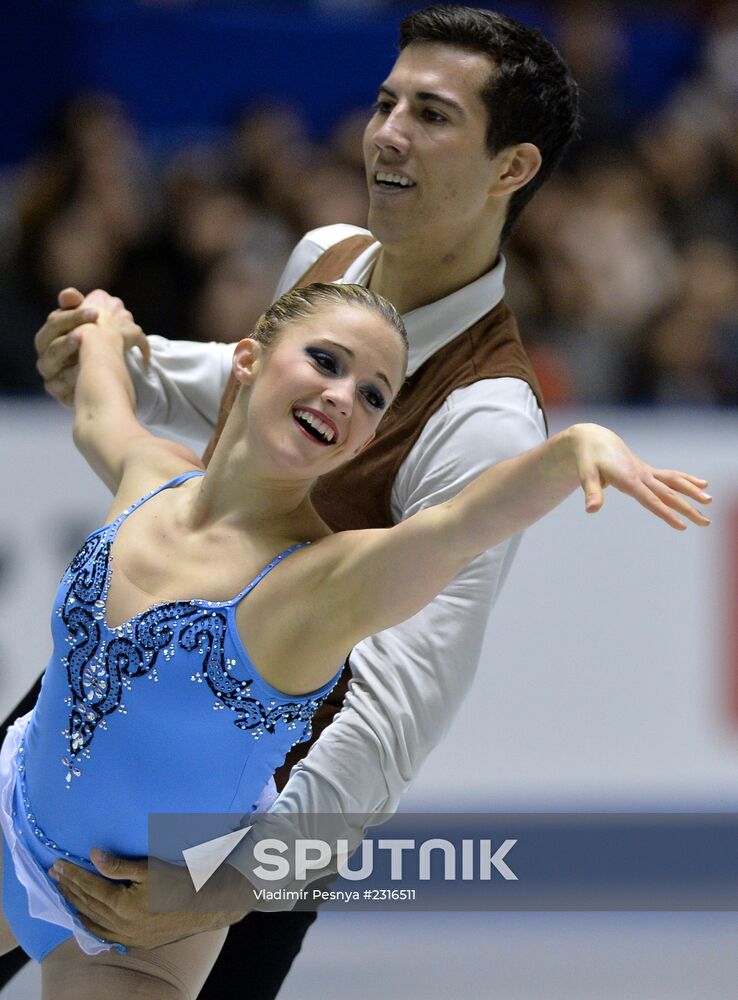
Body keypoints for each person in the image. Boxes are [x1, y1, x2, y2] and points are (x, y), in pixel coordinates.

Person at [15, 5, 679, 998]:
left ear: (514, 168)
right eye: (386, 101)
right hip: (105, 693)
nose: (389, 133)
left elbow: (391, 712)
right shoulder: (328, 251)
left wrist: (226, 881)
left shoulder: (487, 417)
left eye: (435, 114)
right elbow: (254, 393)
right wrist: (122, 362)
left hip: (244, 809)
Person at [0, 277, 712, 997]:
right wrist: (100, 324)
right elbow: (100, 410)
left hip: (144, 927)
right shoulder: (151, 477)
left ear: (369, 438)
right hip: (11, 816)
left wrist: (571, 450)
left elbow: (455, 527)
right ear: (247, 359)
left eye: (374, 395)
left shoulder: (327, 582)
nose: (345, 396)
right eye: (327, 361)